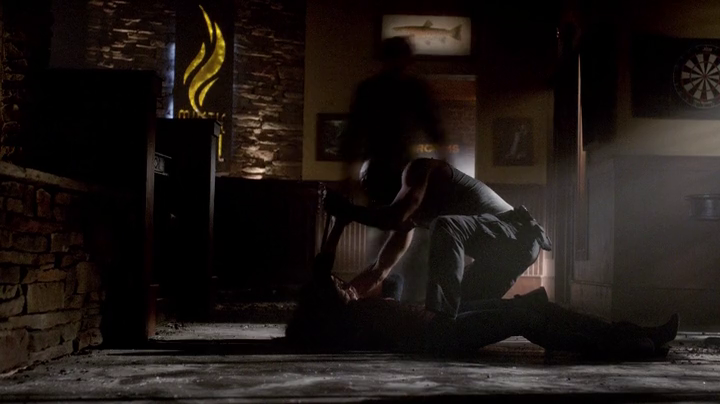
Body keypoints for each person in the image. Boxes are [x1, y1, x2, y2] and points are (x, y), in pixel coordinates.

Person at [285, 217, 678, 359]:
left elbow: (382, 281)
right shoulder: (350, 322)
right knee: (525, 316)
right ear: (329, 304)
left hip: (443, 320)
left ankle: (633, 334)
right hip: (441, 335)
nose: (345, 284)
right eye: (338, 287)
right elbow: (327, 287)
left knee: (534, 303)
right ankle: (625, 346)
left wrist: (338, 225)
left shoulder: (356, 307)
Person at [324, 157, 553, 317]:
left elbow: (395, 215)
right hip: (508, 253)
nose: (373, 198)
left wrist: (348, 211)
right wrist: (346, 295)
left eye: (370, 185)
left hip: (516, 234)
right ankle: (532, 307)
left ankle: (440, 314)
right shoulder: (408, 215)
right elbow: (380, 269)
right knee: (463, 314)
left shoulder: (419, 169)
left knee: (444, 227)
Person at [339, 36, 448, 206]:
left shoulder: (369, 89)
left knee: (383, 213)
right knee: (402, 215)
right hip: (398, 164)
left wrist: (349, 172)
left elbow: (354, 132)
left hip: (378, 166)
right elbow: (435, 129)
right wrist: (445, 163)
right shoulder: (415, 89)